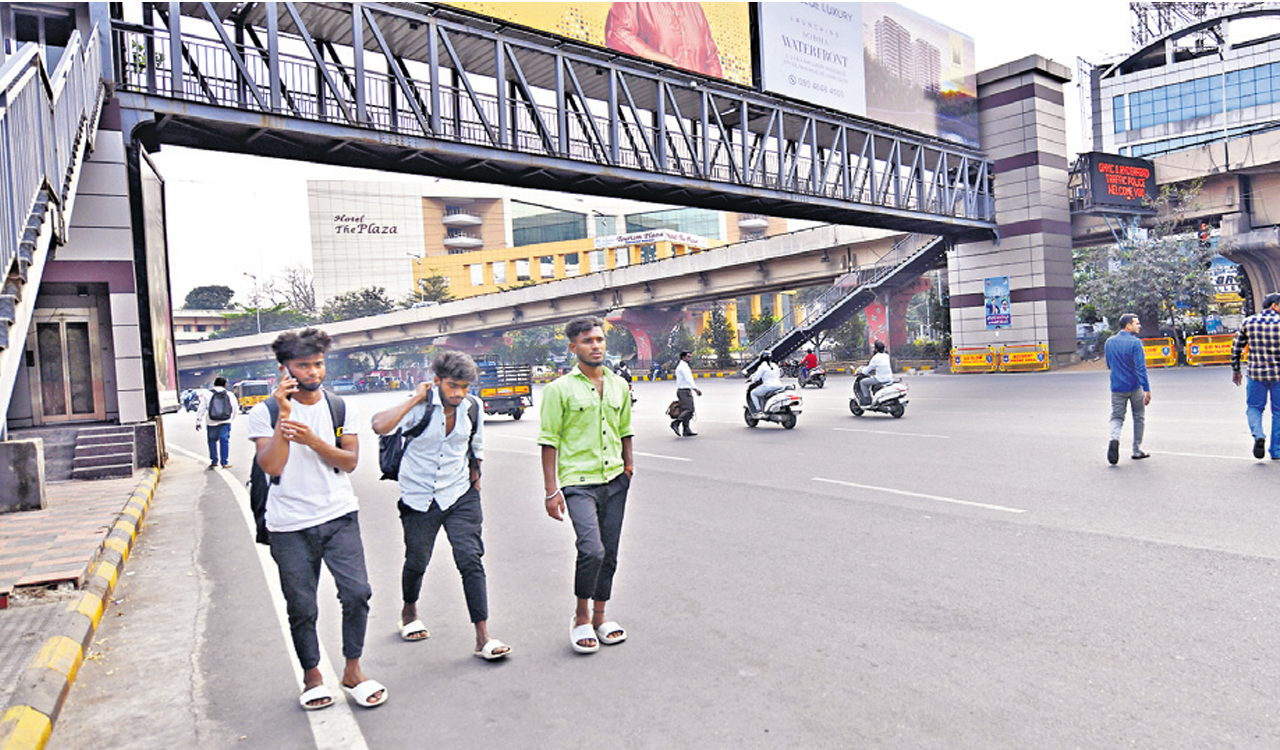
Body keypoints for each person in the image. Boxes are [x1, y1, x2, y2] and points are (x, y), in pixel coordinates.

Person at [246, 328, 386, 711]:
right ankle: (312, 676)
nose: (313, 371)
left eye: (318, 364)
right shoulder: (264, 412)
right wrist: (284, 421)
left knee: (357, 593)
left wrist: (313, 440)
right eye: (303, 365)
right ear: (284, 369)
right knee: (301, 605)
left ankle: (353, 670)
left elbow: (350, 461)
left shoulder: (340, 407)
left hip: (339, 514)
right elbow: (271, 465)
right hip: (288, 525)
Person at [370, 351, 511, 661]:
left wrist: (474, 487)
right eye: (452, 386)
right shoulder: (418, 407)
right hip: (419, 496)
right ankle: (409, 612)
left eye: (464, 386)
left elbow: (476, 448)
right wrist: (414, 399)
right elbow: (379, 425)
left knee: (470, 559)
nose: (459, 393)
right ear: (436, 382)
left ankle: (482, 637)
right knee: (418, 559)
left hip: (460, 493)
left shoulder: (472, 407)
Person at [539, 317, 635, 655]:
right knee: (591, 549)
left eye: (599, 339)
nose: (595, 346)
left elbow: (624, 428)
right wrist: (552, 491)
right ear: (573, 348)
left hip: (615, 479)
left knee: (609, 552)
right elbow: (548, 441)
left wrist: (629, 465)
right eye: (587, 341)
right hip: (578, 482)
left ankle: (600, 616)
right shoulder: (558, 390)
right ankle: (580, 617)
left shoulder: (619, 384)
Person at [604, 2, 723, 78]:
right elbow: (617, 33)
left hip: (696, 108)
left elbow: (711, 58)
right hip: (649, 102)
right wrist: (662, 61)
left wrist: (713, 96)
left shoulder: (695, 7)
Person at [1232, 292, 1280, 459]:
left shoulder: (1249, 321)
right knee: (1278, 411)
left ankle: (1258, 434)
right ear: (1274, 305)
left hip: (1255, 374)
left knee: (1254, 407)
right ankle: (1276, 451)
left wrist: (1236, 370)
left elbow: (1236, 347)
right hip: (1278, 375)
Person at [1105, 313, 1152, 464]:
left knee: (1117, 416)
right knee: (1138, 416)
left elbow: (1109, 365)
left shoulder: (1109, 342)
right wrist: (1147, 389)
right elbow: (1140, 368)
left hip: (1117, 386)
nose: (1139, 326)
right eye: (1136, 323)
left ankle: (1114, 438)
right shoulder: (1135, 343)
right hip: (1134, 386)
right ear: (1128, 326)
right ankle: (1136, 450)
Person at [196, 376, 238, 469]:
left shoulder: (207, 394)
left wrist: (198, 421)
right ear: (225, 385)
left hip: (211, 422)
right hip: (225, 421)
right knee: (224, 441)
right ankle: (224, 462)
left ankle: (214, 461)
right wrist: (231, 419)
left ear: (214, 384)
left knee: (212, 441)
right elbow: (235, 408)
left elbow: (202, 408)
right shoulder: (229, 394)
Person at [671, 350, 702, 437]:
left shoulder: (683, 366)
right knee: (689, 409)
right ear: (683, 357)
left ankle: (686, 429)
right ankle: (676, 423)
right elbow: (689, 379)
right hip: (684, 391)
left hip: (684, 390)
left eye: (690, 357)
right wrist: (696, 389)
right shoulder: (683, 367)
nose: (690, 358)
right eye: (688, 357)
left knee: (686, 410)